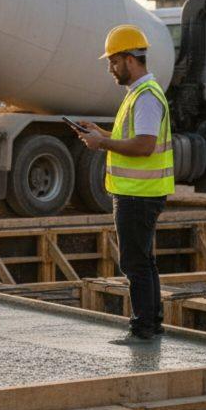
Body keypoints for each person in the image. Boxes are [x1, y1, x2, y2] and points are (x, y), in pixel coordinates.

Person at [73, 24, 174, 343]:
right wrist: (102, 134)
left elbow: (143, 146)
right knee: (144, 260)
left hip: (138, 195)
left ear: (130, 59)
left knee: (134, 262)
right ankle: (152, 324)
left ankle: (143, 329)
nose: (110, 68)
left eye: (114, 61)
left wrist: (100, 145)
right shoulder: (141, 94)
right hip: (140, 194)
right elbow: (132, 139)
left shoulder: (145, 97)